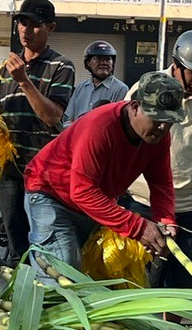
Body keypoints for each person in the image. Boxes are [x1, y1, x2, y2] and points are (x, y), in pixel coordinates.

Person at [23, 72, 181, 271]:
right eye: (156, 118)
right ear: (134, 107)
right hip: (51, 193)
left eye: (170, 121)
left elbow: (161, 183)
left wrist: (165, 219)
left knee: (95, 272)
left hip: (91, 203)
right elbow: (82, 191)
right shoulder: (100, 127)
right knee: (63, 273)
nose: (162, 127)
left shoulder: (159, 137)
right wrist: (139, 227)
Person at [126, 30, 192, 289]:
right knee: (141, 282)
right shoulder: (146, 88)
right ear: (177, 65)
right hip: (143, 202)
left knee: (186, 285)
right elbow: (124, 139)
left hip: (188, 206)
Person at [0, 0, 76, 264]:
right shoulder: (4, 69)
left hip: (44, 170)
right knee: (14, 231)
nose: (25, 30)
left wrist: (24, 82)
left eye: (34, 25)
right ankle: (16, 284)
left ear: (50, 28)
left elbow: (52, 116)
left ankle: (44, 284)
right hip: (10, 167)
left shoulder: (61, 67)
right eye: (22, 23)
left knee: (44, 235)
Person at [62, 41, 128, 124]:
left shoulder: (120, 89)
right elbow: (68, 118)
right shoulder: (81, 87)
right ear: (88, 63)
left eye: (108, 59)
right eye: (98, 58)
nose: (103, 63)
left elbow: (116, 122)